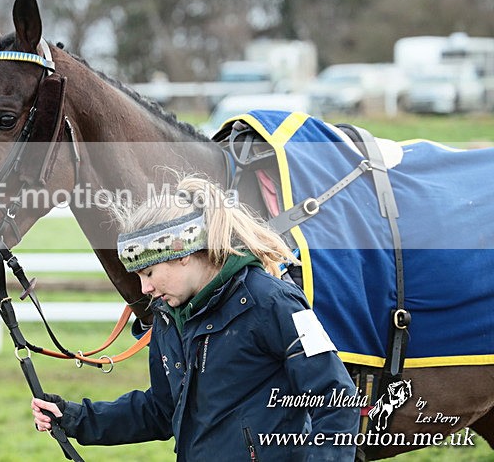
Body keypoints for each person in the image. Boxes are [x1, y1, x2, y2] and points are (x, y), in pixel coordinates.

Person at [31, 175, 359, 461]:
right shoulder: (168, 319)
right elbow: (161, 410)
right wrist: (74, 417)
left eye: (148, 273)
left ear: (183, 255)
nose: (144, 288)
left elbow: (336, 400)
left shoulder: (272, 302)